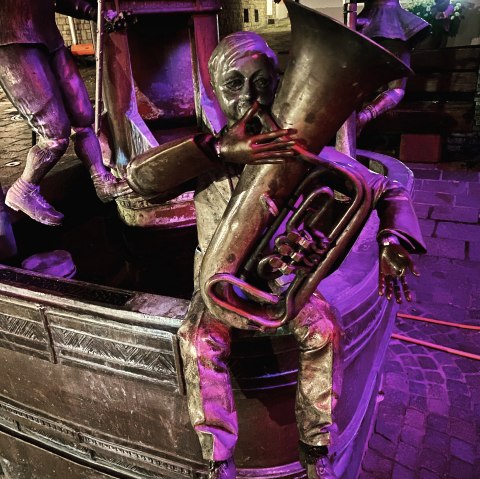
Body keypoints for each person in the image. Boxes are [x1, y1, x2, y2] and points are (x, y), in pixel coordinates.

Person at [126, 32, 426, 479]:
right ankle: (218, 459)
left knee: (325, 329)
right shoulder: (207, 153)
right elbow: (139, 179)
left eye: (262, 83)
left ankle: (316, 448)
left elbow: (387, 188)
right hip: (216, 290)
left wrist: (394, 240)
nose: (250, 97)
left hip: (277, 286)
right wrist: (220, 149)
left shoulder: (300, 151)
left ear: (278, 84)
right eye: (234, 84)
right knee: (197, 341)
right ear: (213, 90)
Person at [0, 0, 130, 226]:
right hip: (12, 36)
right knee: (55, 133)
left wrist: (94, 12)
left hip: (48, 35)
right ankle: (23, 189)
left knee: (83, 118)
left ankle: (102, 180)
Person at [355, 0, 430, 132]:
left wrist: (363, 117)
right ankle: (358, 121)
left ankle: (359, 120)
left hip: (375, 19)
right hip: (369, 19)